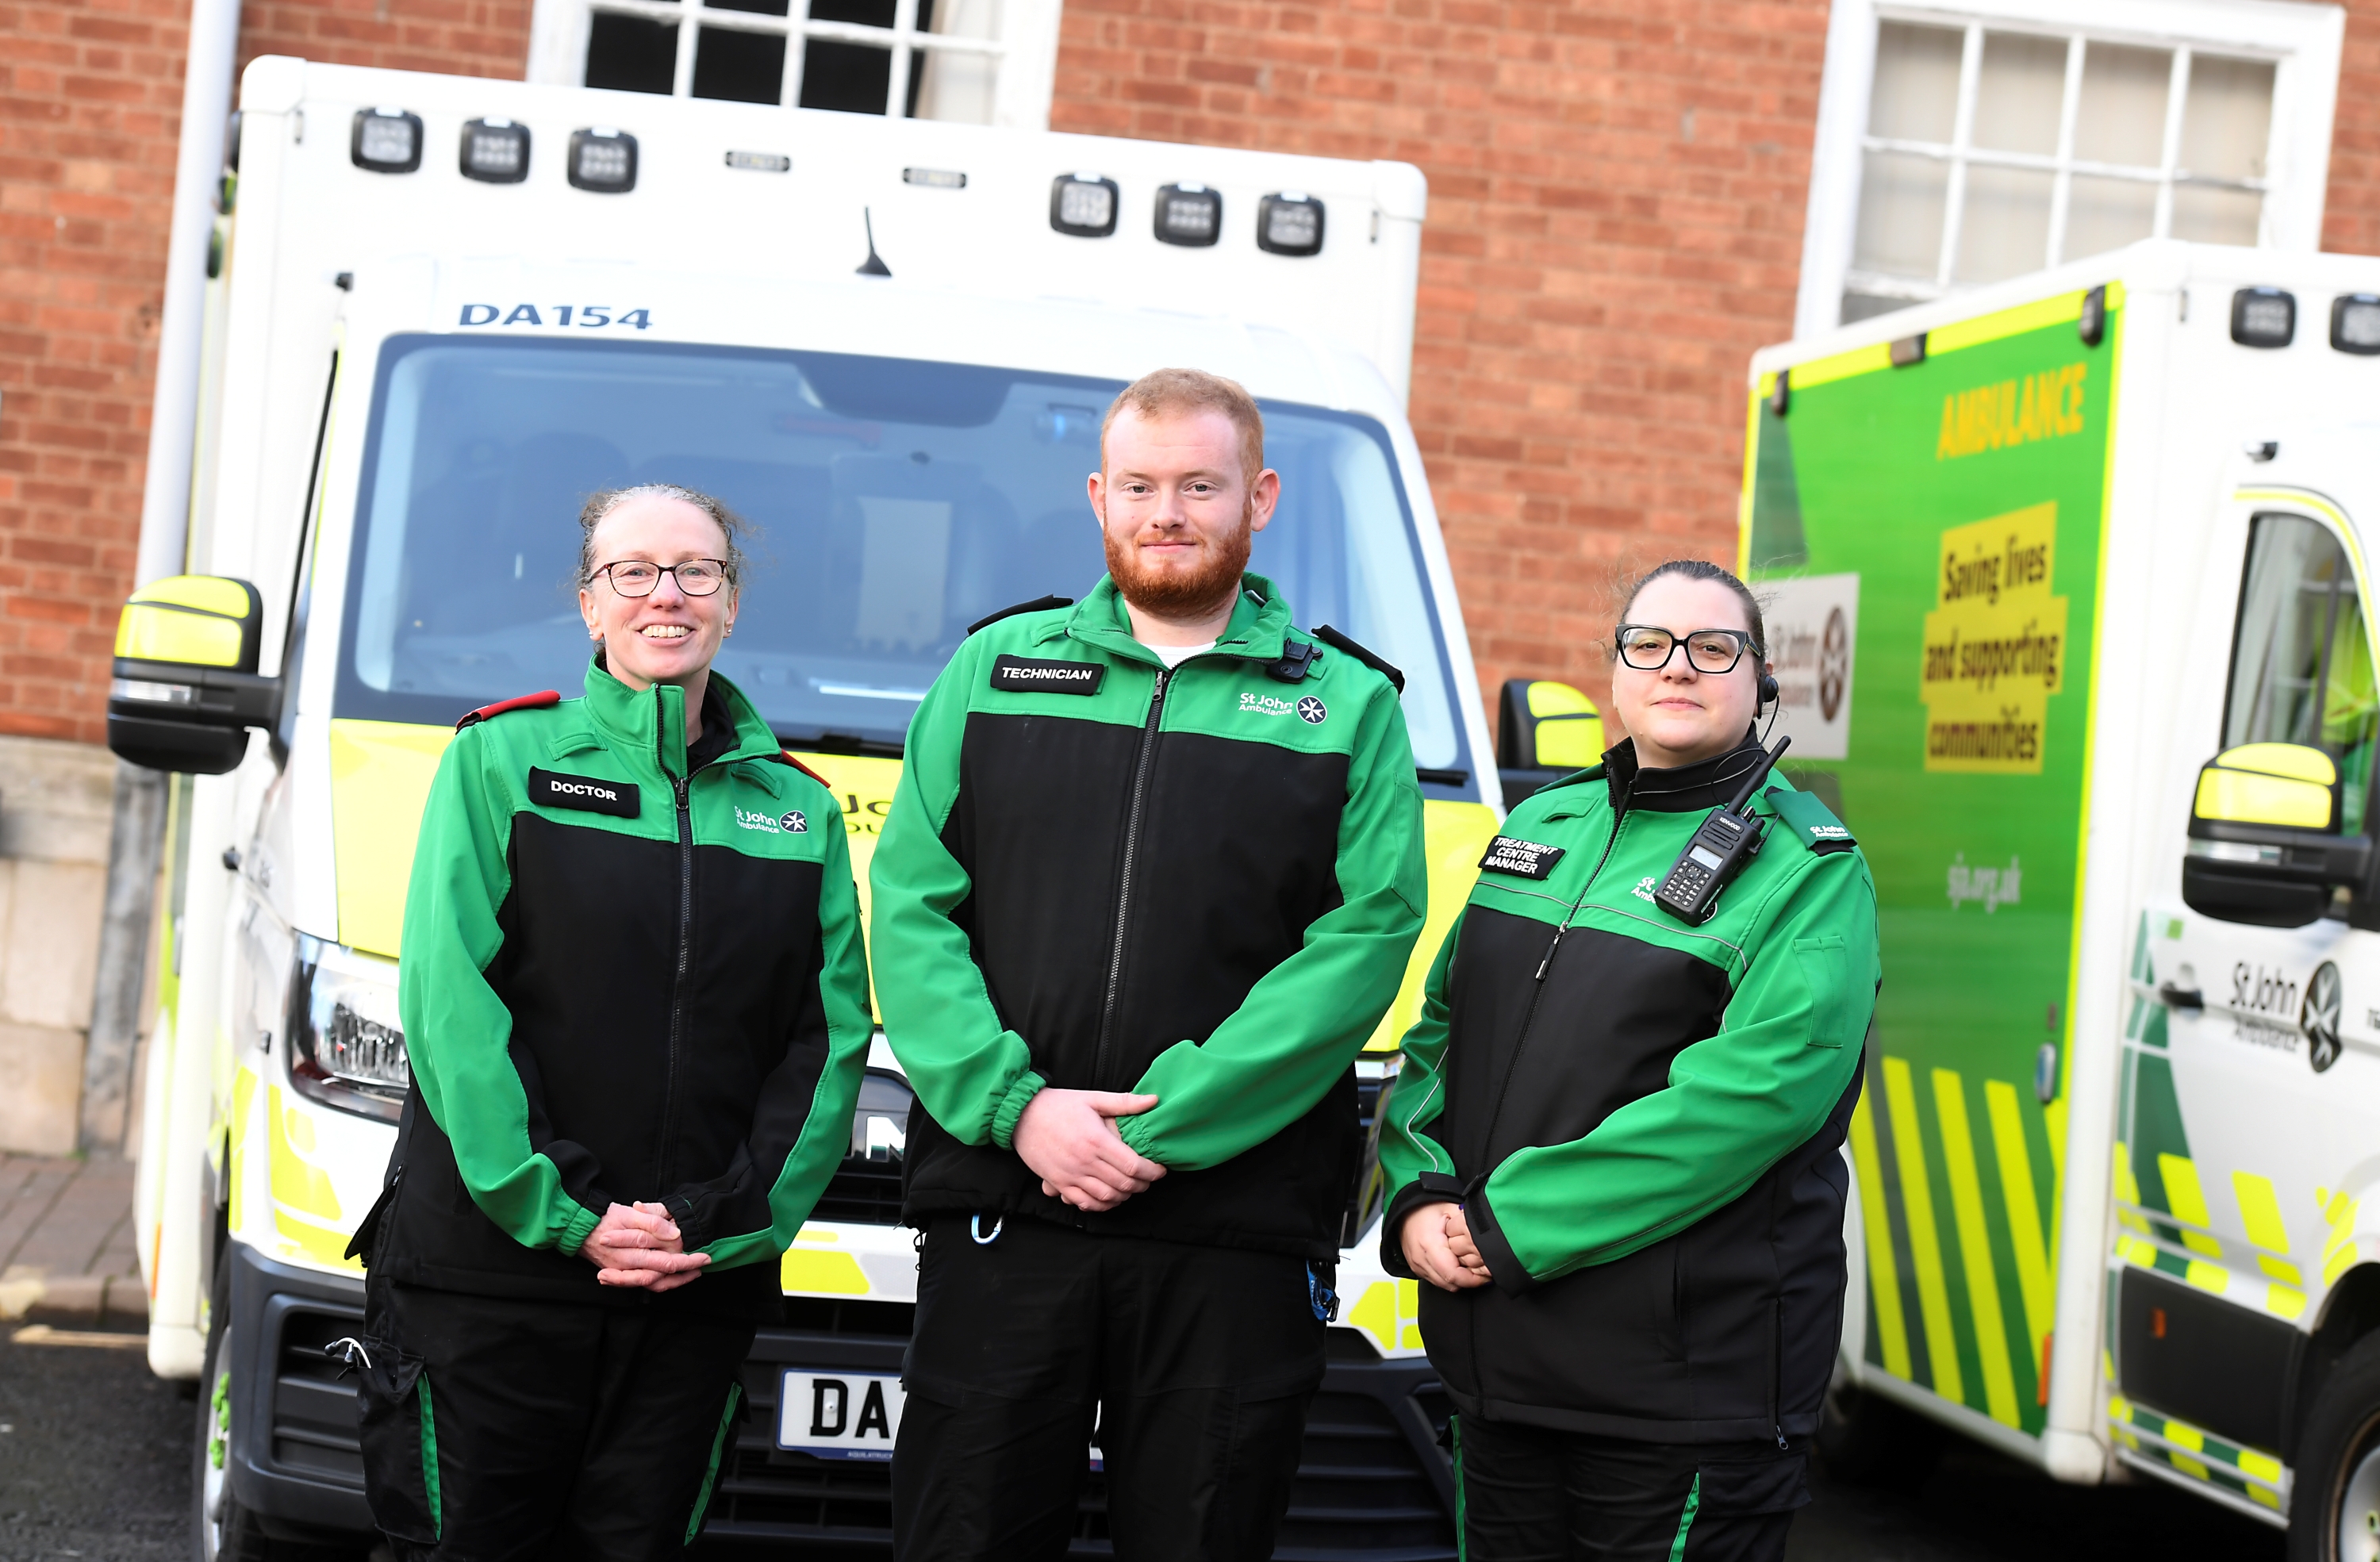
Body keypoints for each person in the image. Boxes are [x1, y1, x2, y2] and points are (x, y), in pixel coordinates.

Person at [870, 367, 1428, 1561]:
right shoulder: (993, 671)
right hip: (1008, 1207)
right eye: (1138, 486)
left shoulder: (1348, 704)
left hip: (1229, 1231)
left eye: (1198, 485)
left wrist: (1160, 1123)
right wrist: (1017, 1110)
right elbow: (913, 907)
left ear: (1259, 496)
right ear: (1099, 497)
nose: (1165, 511)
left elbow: (1367, 934)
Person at [347, 483, 873, 1560]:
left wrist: (719, 1222)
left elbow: (826, 1046)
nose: (665, 594)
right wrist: (567, 1211)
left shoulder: (800, 809)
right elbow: (452, 1010)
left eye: (696, 572)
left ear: (732, 604)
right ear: (590, 605)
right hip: (492, 1277)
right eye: (633, 571)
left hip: (690, 1283)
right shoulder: (499, 762)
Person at [1377, 558, 1879, 1561]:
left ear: (1760, 678)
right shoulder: (1538, 827)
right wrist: (1419, 1189)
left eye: (1714, 648)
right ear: (1615, 674)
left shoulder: (1811, 870)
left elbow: (1750, 1102)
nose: (1678, 668)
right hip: (1503, 1367)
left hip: (1682, 1393)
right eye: (1648, 644)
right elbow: (1438, 1033)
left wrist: (1508, 1220)